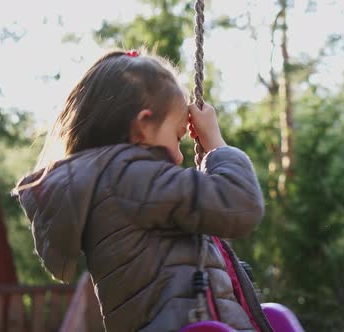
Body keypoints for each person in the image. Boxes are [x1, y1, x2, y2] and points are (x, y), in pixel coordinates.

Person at [14, 50, 273, 332]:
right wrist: (216, 143)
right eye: (177, 137)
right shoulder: (130, 178)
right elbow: (240, 203)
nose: (177, 156)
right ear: (143, 126)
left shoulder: (109, 186)